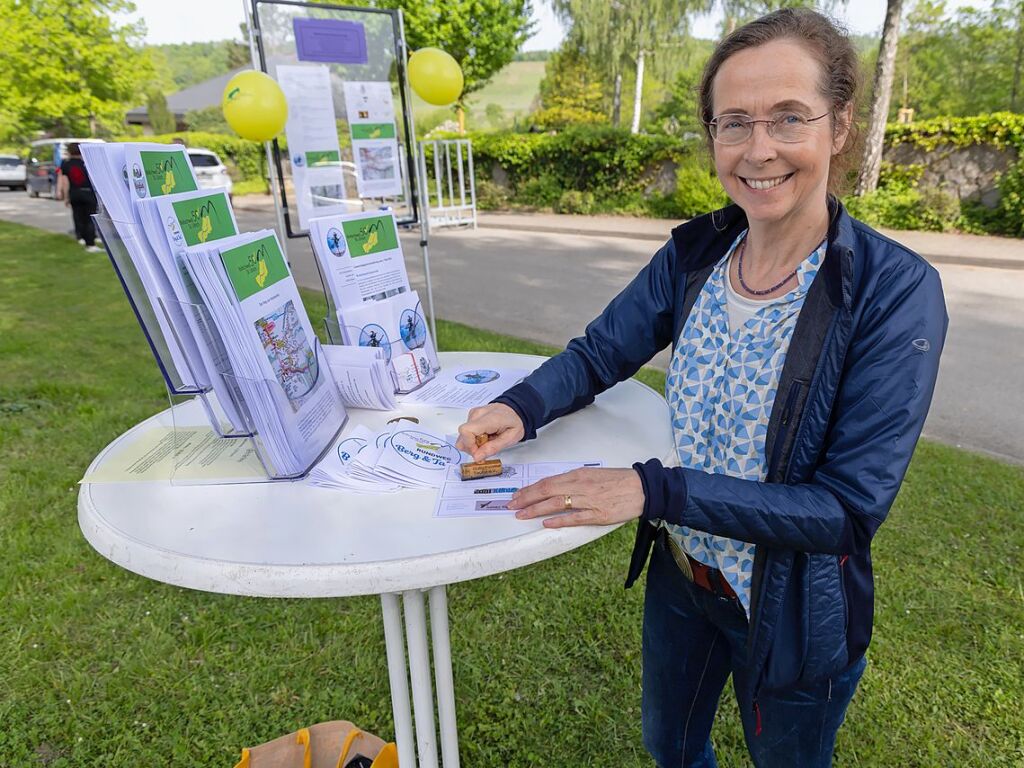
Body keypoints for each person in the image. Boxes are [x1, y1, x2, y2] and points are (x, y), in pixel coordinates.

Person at [456, 9, 947, 768]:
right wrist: (518, 408)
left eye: (790, 118)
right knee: (672, 746)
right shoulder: (699, 251)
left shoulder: (892, 291)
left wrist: (655, 492)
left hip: (789, 606)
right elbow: (598, 354)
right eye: (734, 122)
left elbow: (846, 510)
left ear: (839, 127)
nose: (759, 149)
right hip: (686, 576)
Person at [57, 142, 101, 252]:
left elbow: (65, 182)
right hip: (88, 193)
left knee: (78, 217)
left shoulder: (66, 164)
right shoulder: (87, 163)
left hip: (74, 193)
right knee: (89, 219)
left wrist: (66, 197)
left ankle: (81, 237)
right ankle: (91, 244)